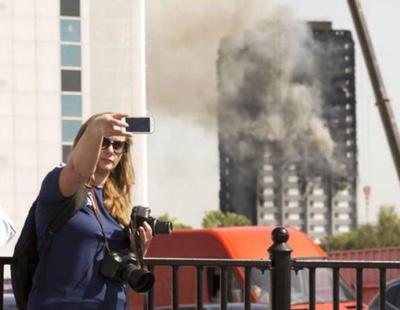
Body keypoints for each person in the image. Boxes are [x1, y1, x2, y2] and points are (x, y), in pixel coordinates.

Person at [27, 113, 153, 310]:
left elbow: (117, 265)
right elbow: (79, 170)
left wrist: (136, 250)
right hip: (60, 305)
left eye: (117, 145)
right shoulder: (61, 183)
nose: (110, 150)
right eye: (103, 142)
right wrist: (96, 127)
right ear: (87, 143)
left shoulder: (119, 204)